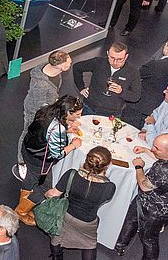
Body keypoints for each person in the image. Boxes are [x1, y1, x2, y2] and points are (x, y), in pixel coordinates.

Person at [16, 96, 83, 226]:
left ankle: (24, 201)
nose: (79, 117)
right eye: (78, 114)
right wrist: (73, 145)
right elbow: (58, 154)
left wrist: (67, 130)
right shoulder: (58, 128)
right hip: (39, 160)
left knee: (30, 179)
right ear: (68, 112)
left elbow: (43, 131)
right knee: (44, 188)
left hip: (28, 149)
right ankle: (21, 211)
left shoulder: (45, 108)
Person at [45, 146, 115, 260]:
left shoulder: (71, 175)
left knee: (57, 238)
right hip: (88, 221)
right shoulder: (109, 187)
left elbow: (53, 194)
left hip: (65, 216)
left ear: (87, 159)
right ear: (107, 165)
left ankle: (57, 257)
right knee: (89, 244)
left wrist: (47, 194)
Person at [14, 50, 71, 181]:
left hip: (46, 108)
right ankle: (21, 162)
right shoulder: (40, 85)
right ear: (60, 65)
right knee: (26, 133)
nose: (70, 63)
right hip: (34, 113)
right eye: (68, 62)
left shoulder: (51, 69)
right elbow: (40, 107)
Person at [115, 133, 168, 259]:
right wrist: (146, 151)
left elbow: (144, 186)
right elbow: (162, 157)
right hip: (149, 200)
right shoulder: (166, 159)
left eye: (157, 148)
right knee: (131, 219)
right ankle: (120, 245)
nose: (152, 149)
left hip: (155, 211)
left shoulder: (163, 168)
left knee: (149, 239)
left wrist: (138, 167)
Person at [73, 41, 140, 118]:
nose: (115, 62)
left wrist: (121, 91)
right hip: (89, 107)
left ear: (126, 56)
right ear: (107, 53)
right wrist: (81, 88)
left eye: (119, 59)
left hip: (111, 113)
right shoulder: (98, 62)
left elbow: (136, 97)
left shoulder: (133, 72)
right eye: (112, 58)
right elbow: (77, 67)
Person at [124, 39, 168, 128]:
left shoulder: (156, 65)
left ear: (167, 47)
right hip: (158, 112)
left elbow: (135, 76)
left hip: (138, 107)